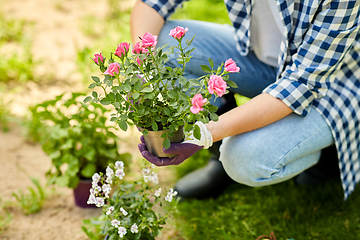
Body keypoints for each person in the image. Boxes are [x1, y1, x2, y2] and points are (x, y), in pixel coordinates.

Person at [131, 0, 360, 200]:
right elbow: (152, 3)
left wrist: (204, 135)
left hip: (334, 85)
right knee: (160, 44)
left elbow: (299, 84)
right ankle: (218, 157)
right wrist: (144, 70)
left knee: (243, 159)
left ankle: (328, 157)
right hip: (267, 60)